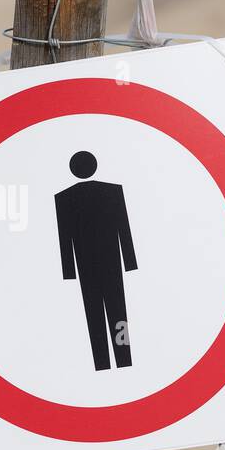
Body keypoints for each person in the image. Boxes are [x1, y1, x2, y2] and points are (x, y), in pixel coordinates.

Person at [54, 151, 138, 372]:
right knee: (118, 310)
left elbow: (65, 239)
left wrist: (69, 270)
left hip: (86, 263)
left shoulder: (64, 198)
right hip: (111, 260)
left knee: (95, 315)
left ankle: (103, 363)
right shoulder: (112, 192)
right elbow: (124, 229)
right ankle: (124, 359)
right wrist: (129, 261)